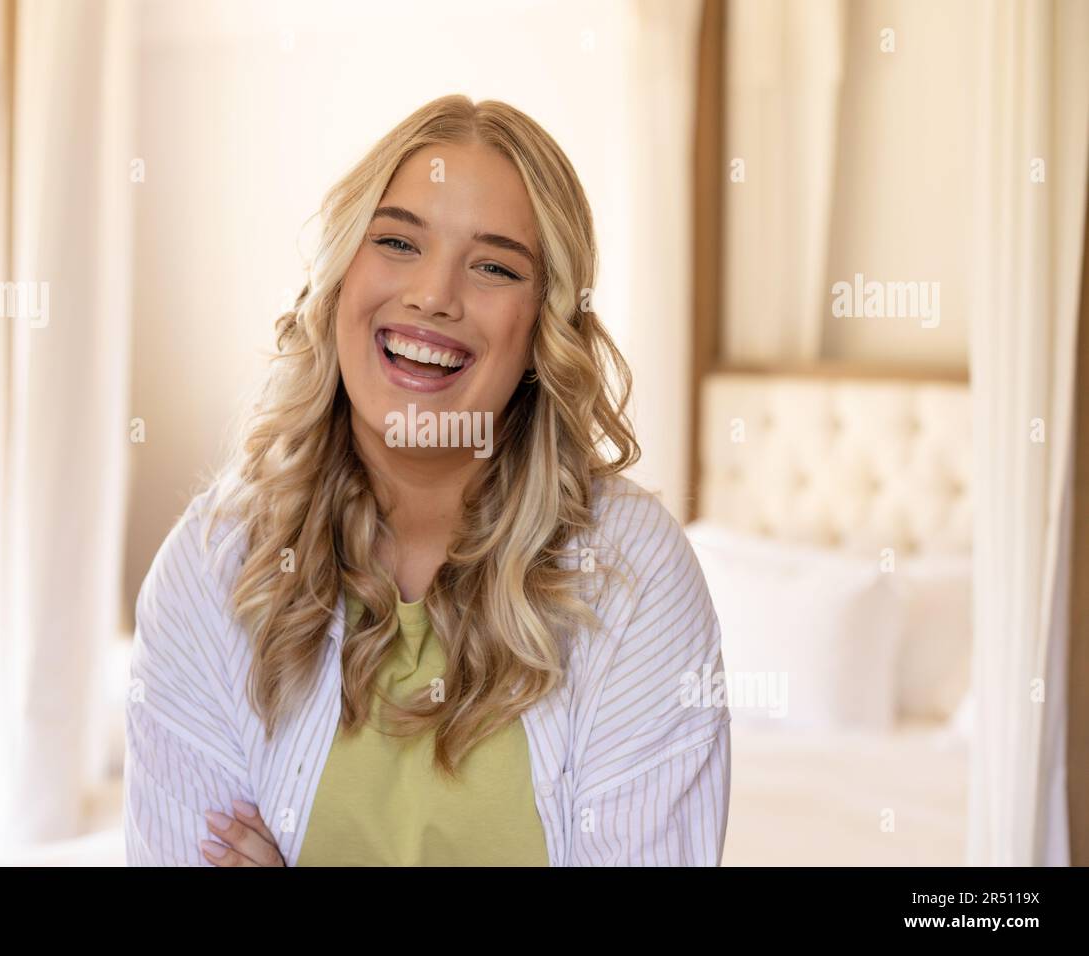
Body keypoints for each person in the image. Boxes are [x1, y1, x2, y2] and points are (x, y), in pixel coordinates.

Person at [124, 94, 730, 867]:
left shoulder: (634, 574)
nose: (434, 296)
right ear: (341, 275)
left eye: (494, 266)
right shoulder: (213, 566)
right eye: (399, 243)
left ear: (544, 332)